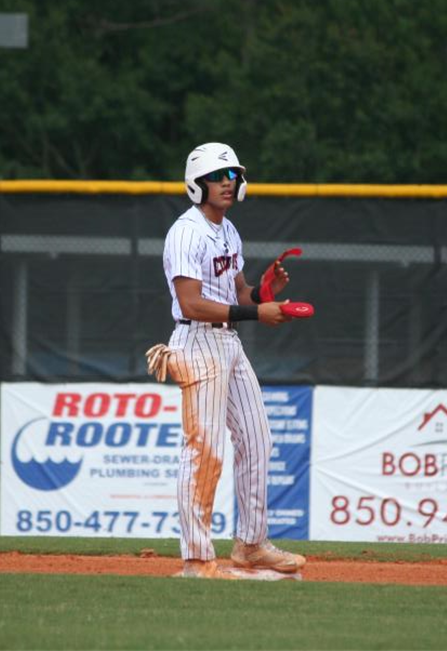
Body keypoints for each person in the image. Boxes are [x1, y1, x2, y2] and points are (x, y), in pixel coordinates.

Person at [162, 142, 306, 579]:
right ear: (197, 184)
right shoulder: (186, 232)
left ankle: (250, 545)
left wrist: (264, 293)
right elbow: (190, 304)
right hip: (197, 343)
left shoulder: (228, 231)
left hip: (228, 343)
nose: (227, 183)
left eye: (232, 176)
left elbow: (238, 296)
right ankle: (197, 560)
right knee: (204, 453)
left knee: (258, 441)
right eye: (217, 177)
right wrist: (255, 312)